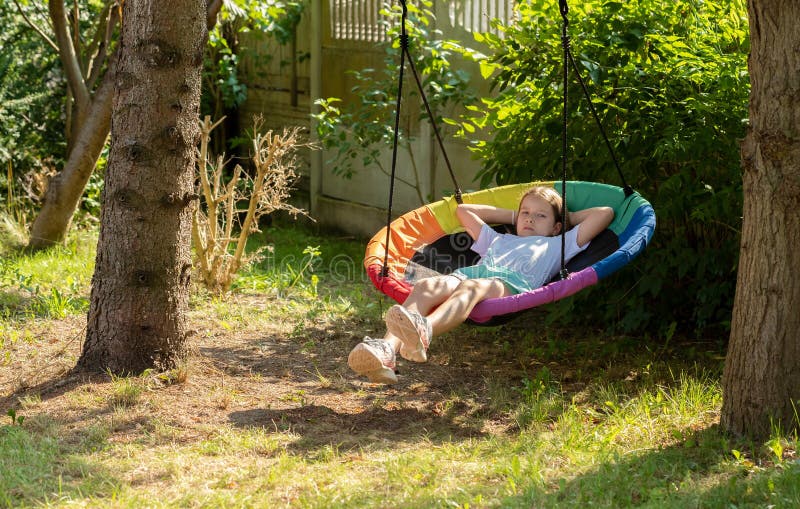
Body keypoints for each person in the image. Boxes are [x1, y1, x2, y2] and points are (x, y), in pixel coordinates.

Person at [348, 186, 615, 384]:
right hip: (472, 274)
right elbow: (464, 211)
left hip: (511, 284)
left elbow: (605, 213)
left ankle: (425, 329)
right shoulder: (497, 239)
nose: (530, 219)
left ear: (557, 226)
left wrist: (566, 220)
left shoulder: (559, 243)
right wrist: (514, 216)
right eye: (526, 213)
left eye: (540, 216)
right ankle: (386, 351)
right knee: (427, 288)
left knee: (472, 288)